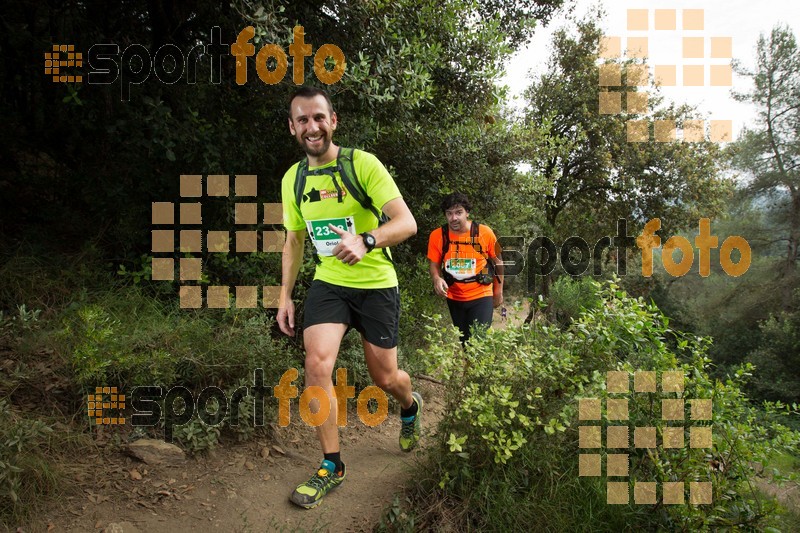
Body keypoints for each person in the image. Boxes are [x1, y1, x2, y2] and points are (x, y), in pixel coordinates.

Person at [277, 86, 422, 509]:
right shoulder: (294, 179)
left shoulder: (362, 165)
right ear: (292, 128)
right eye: (302, 119)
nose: (312, 126)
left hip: (376, 284)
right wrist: (285, 296)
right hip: (330, 283)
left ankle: (409, 405)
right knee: (316, 363)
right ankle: (332, 465)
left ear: (333, 121)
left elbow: (407, 222)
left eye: (319, 117)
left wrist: (368, 239)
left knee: (386, 377)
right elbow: (294, 242)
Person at [427, 193, 503, 344]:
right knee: (466, 343)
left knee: (478, 342)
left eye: (458, 212)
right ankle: (469, 367)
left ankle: (476, 367)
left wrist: (498, 291)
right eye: (449, 213)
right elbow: (434, 264)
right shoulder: (437, 235)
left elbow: (498, 262)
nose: (453, 218)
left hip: (481, 295)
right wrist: (436, 278)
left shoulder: (485, 232)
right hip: (454, 297)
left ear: (467, 212)